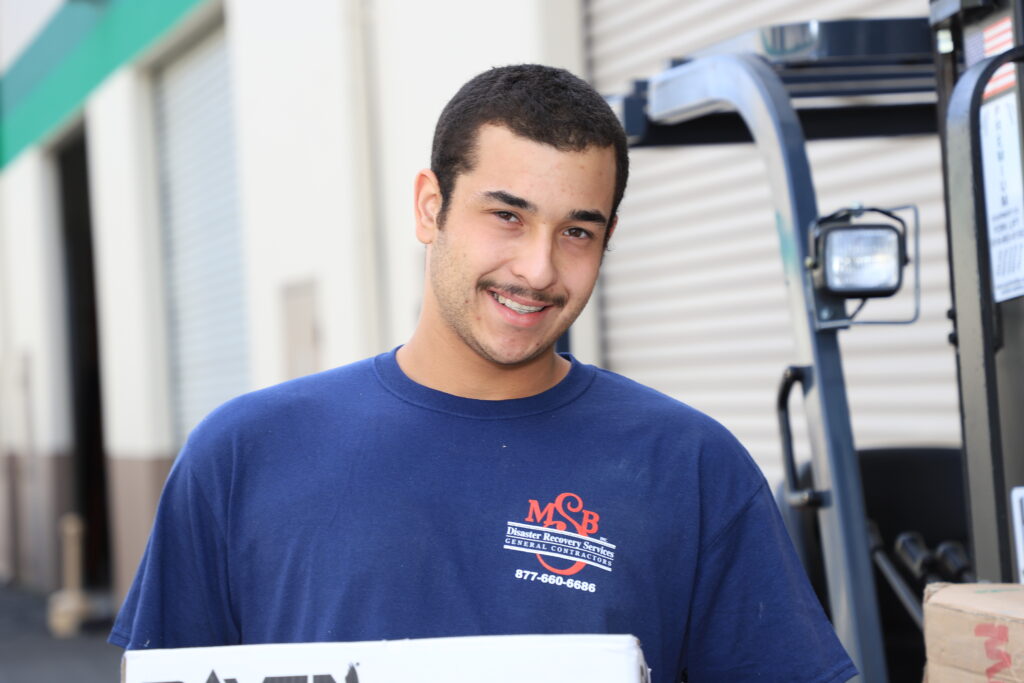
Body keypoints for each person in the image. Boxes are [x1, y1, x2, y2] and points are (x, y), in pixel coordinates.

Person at [110, 64, 856, 683]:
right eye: (507, 216)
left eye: (576, 231)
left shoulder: (689, 466)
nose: (537, 268)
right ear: (430, 207)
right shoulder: (241, 455)